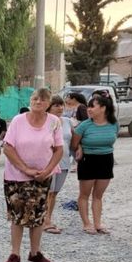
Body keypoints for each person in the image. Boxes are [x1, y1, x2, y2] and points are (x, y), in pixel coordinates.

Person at [1, 88, 64, 262]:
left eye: (43, 100)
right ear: (31, 100)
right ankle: (15, 253)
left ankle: (35, 253)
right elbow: (8, 147)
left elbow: (59, 149)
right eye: (35, 99)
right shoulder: (18, 121)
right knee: (17, 213)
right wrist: (25, 168)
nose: (38, 102)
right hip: (16, 175)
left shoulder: (54, 122)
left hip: (43, 176)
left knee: (38, 214)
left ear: (48, 104)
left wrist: (48, 170)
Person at [71, 92, 119, 234]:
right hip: (88, 160)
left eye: (92, 106)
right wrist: (79, 147)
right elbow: (74, 144)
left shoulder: (114, 124)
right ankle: (86, 223)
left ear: (103, 108)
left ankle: (98, 223)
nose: (89, 109)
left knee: (98, 195)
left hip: (106, 159)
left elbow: (112, 139)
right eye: (88, 107)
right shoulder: (84, 126)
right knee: (84, 194)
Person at [43, 96, 73, 235]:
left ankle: (48, 218)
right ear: (49, 107)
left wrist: (78, 150)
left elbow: (72, 141)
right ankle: (45, 221)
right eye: (56, 105)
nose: (60, 108)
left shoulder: (67, 121)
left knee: (54, 193)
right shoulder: (44, 122)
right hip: (48, 161)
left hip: (65, 161)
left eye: (62, 105)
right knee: (48, 192)